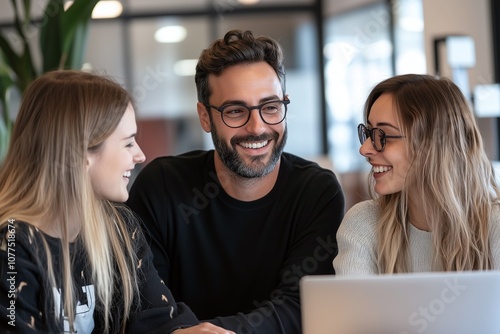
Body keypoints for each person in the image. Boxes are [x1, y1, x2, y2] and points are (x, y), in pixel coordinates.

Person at [126, 29, 345, 333]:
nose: (257, 128)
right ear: (205, 117)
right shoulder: (161, 186)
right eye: (236, 111)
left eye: (270, 107)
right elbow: (145, 308)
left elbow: (300, 307)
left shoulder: (316, 192)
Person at [0, 70, 235, 334]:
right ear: (81, 153)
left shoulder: (120, 226)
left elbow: (158, 316)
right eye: (128, 143)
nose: (140, 155)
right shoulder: (12, 245)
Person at [333, 73, 500, 276]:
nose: (365, 149)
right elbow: (354, 307)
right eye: (369, 133)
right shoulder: (363, 224)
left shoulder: (494, 226)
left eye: (382, 136)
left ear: (432, 144)